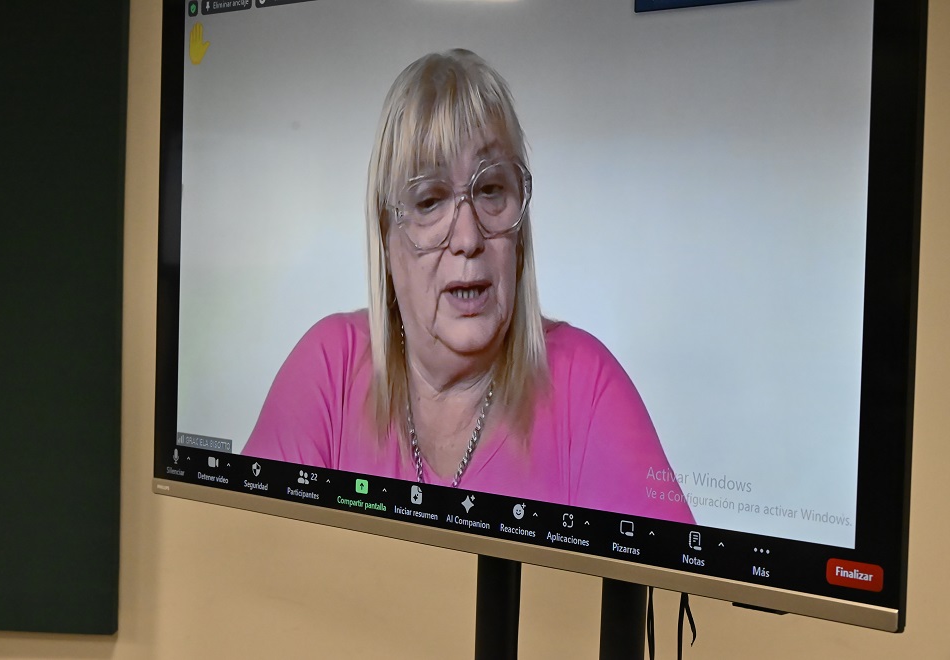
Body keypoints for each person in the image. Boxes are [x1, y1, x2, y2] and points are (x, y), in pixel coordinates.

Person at [244, 49, 693, 522]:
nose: (468, 238)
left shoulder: (589, 387)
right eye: (430, 200)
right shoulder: (327, 370)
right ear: (386, 235)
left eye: (491, 190)